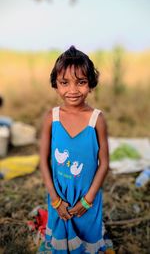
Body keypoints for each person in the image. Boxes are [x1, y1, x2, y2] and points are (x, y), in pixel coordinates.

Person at [39, 46, 114, 253]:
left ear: (91, 84)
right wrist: (55, 199)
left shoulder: (96, 120)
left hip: (87, 197)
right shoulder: (51, 118)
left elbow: (104, 163)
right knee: (62, 242)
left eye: (81, 82)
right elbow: (43, 162)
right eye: (65, 83)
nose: (73, 90)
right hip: (59, 197)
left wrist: (88, 200)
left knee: (87, 238)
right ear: (56, 84)